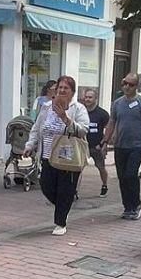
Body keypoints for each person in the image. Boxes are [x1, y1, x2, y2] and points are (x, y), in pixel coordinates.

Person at [26, 74, 90, 235]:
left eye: (65, 88)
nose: (61, 90)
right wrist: (30, 145)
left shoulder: (78, 109)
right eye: (59, 87)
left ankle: (60, 222)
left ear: (72, 92)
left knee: (65, 189)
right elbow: (36, 128)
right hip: (47, 155)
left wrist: (65, 118)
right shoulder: (47, 107)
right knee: (46, 186)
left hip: (69, 157)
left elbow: (83, 130)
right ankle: (63, 206)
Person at [102, 73, 141, 219]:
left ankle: (135, 205)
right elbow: (111, 122)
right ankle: (127, 207)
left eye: (131, 85)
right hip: (120, 145)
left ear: (136, 86)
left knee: (131, 175)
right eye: (124, 83)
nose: (126, 87)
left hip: (136, 146)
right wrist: (105, 141)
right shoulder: (117, 103)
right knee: (122, 177)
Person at [80, 87, 110, 197]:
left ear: (95, 99)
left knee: (101, 167)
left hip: (96, 147)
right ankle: (74, 190)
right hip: (83, 146)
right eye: (86, 97)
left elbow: (110, 130)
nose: (87, 99)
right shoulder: (80, 112)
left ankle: (104, 185)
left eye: (90, 97)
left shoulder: (102, 114)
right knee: (78, 168)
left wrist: (103, 144)